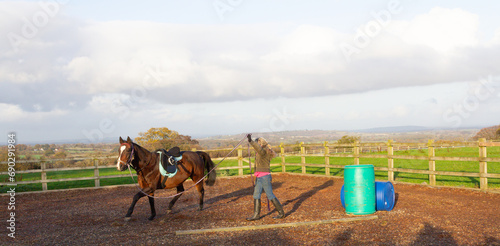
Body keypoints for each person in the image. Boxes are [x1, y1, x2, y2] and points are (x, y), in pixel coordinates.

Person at [246, 133, 285, 221]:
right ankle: (256, 215)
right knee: (256, 195)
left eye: (256, 143)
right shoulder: (262, 151)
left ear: (260, 144)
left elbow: (258, 148)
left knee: (270, 195)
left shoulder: (263, 151)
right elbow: (257, 148)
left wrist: (250, 141)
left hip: (265, 177)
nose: (255, 147)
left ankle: (281, 213)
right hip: (259, 177)